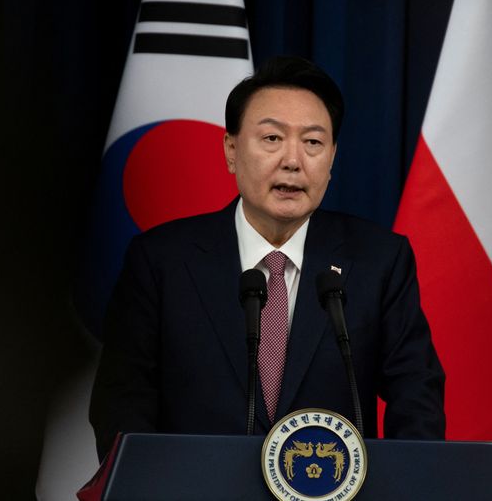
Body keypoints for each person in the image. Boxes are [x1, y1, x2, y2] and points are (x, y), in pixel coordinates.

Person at [89, 56, 445, 460]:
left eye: (313, 142)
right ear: (231, 150)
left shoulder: (379, 259)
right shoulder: (161, 260)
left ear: (331, 159)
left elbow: (416, 394)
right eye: (272, 139)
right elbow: (122, 399)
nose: (293, 161)